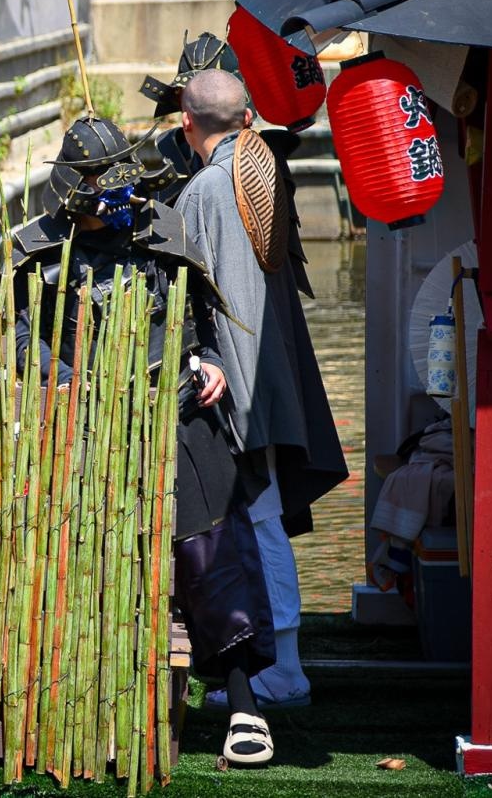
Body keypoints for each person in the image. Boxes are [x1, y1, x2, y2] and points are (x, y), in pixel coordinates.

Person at [9, 115, 278, 768]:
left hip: (175, 406)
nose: (120, 193)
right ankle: (81, 698)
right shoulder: (35, 249)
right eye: (104, 182)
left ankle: (243, 702)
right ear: (76, 188)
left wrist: (210, 361)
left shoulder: (161, 230)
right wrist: (69, 381)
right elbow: (20, 338)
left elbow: (201, 317)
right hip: (83, 424)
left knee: (211, 531)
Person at [174, 70, 351, 712]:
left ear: (186, 124)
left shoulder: (207, 188)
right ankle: (280, 665)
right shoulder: (262, 170)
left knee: (264, 526)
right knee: (262, 523)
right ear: (247, 116)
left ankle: (286, 671)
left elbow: (189, 300)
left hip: (239, 388)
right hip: (270, 379)